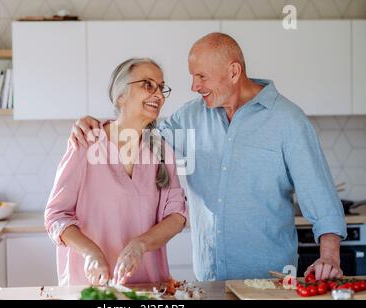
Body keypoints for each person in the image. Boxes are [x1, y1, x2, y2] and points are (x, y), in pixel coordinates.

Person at [69, 33, 347, 281]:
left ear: (234, 72)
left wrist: (330, 257)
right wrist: (96, 125)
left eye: (201, 76)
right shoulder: (190, 115)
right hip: (208, 277)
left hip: (268, 280)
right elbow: (143, 134)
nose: (194, 86)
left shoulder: (288, 121)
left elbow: (320, 197)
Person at [44, 58, 188, 286]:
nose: (159, 95)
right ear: (120, 96)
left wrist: (140, 244)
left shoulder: (161, 149)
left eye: (161, 87)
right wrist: (91, 252)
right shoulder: (86, 142)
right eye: (148, 85)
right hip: (91, 286)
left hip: (148, 287)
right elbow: (56, 216)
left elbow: (177, 216)